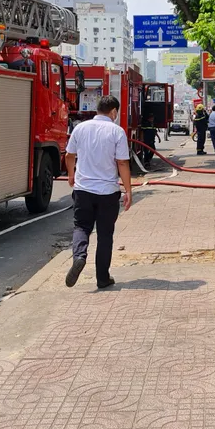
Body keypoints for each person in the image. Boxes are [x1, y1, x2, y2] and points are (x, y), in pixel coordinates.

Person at [64, 95, 133, 290]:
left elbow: (69, 155)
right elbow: (122, 162)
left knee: (81, 227)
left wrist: (71, 175)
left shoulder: (80, 128)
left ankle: (79, 257)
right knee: (105, 234)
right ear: (113, 111)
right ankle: (102, 278)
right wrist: (128, 190)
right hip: (107, 192)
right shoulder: (117, 132)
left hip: (83, 189)